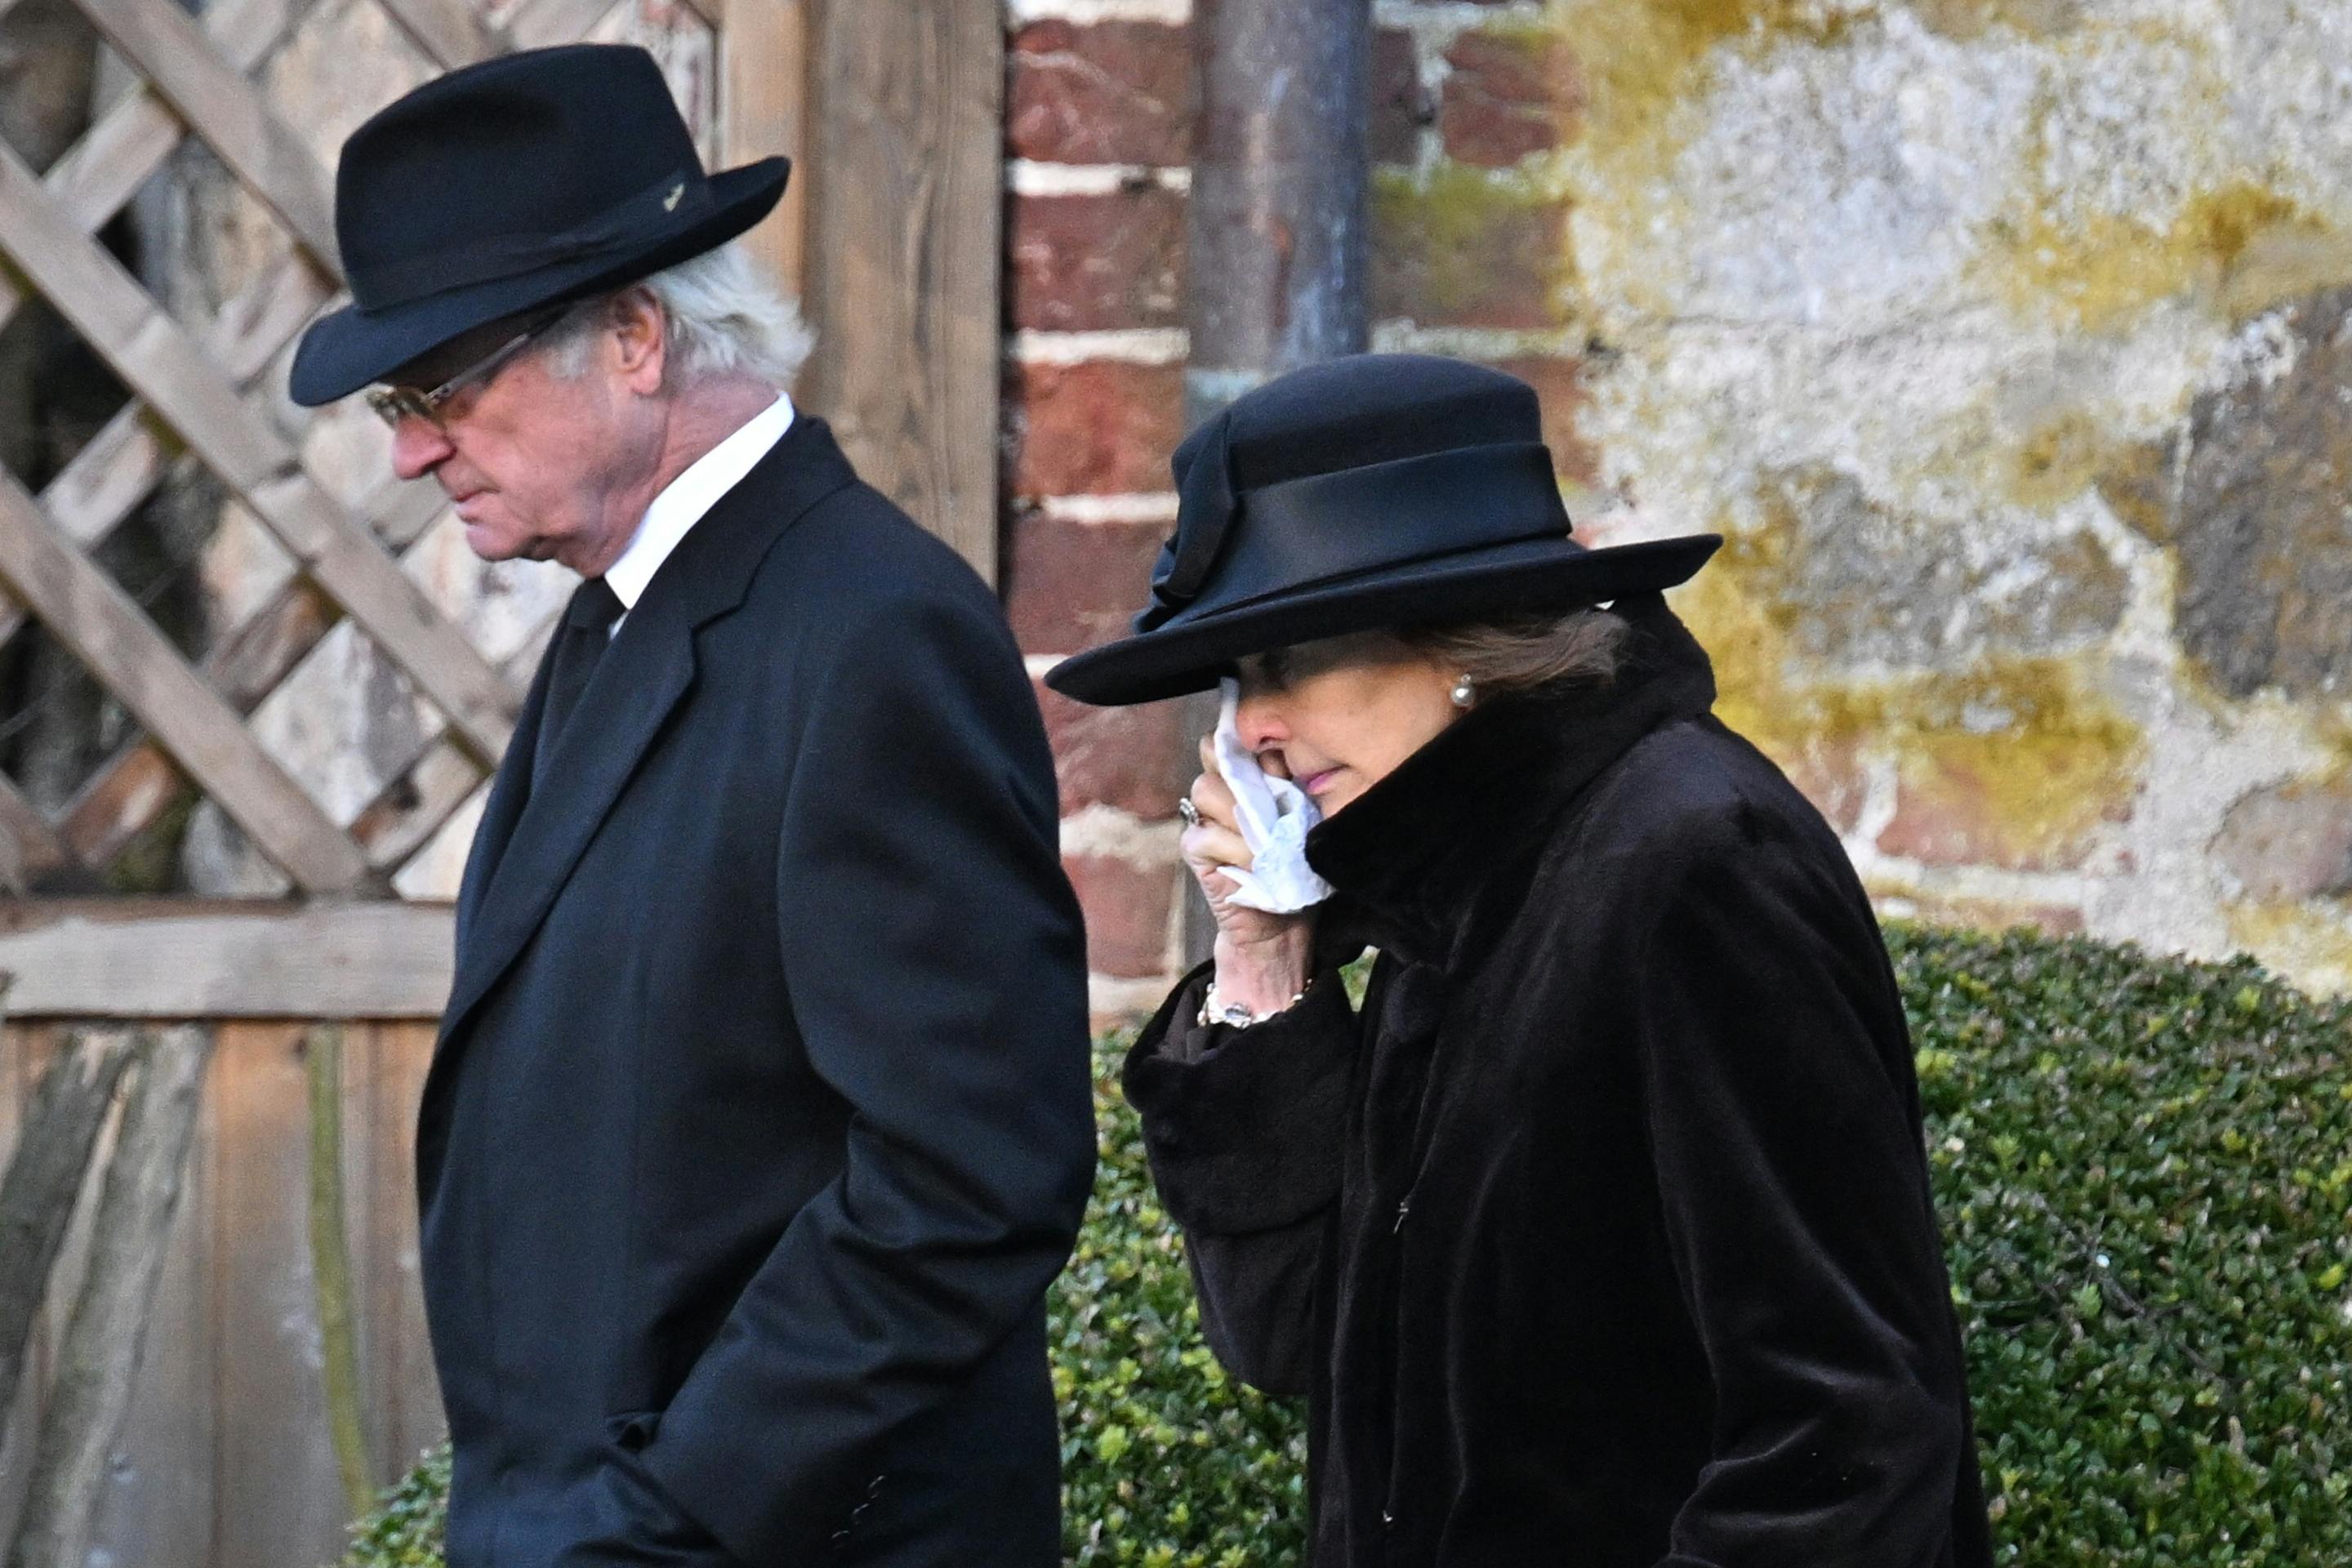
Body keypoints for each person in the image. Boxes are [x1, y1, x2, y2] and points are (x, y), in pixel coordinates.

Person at [289, 45, 1097, 1568]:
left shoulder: (868, 630)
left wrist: (675, 1520)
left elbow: (969, 1174)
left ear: (639, 335)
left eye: (445, 384)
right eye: (402, 399)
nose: (407, 449)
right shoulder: (626, 610)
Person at [1045, 354, 1993, 1567]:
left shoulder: (1695, 866)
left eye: (1287, 660)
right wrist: (1267, 959)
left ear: (1461, 636)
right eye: (1236, 679)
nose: (1248, 732)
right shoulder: (1446, 884)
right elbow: (1285, 1341)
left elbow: (1847, 1440)